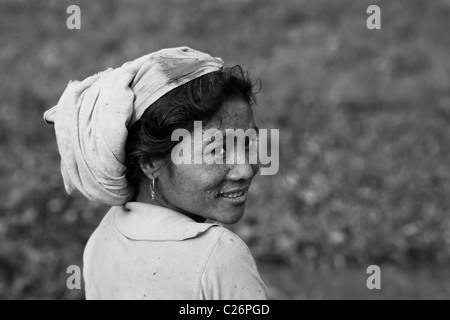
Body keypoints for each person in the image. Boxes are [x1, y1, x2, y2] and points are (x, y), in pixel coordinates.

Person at [44, 46, 268, 300]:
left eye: (248, 142)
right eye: (217, 149)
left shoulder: (101, 241)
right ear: (152, 161)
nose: (246, 169)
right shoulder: (218, 256)